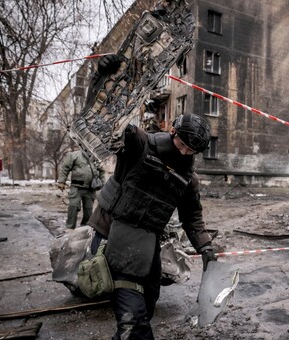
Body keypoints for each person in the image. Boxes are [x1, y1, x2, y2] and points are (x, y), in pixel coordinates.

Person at [87, 112, 217, 339]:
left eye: (191, 151)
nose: (185, 153)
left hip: (147, 239)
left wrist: (205, 248)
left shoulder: (188, 178)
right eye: (183, 145)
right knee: (132, 312)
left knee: (149, 299)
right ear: (173, 132)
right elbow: (108, 125)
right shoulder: (140, 143)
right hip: (113, 231)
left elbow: (192, 217)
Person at [57, 150, 105, 229]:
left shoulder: (96, 158)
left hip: (90, 189)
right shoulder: (75, 155)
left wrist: (103, 184)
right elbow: (65, 168)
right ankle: (70, 228)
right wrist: (62, 181)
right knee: (73, 207)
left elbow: (102, 171)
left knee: (88, 210)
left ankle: (85, 229)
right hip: (76, 187)